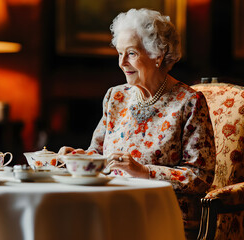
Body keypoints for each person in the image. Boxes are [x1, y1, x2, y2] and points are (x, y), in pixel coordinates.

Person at [59, 8, 216, 239]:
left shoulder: (189, 102)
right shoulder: (116, 97)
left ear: (158, 55)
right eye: (119, 53)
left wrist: (143, 171)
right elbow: (97, 152)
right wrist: (79, 156)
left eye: (131, 53)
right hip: (109, 204)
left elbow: (200, 176)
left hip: (161, 212)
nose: (122, 63)